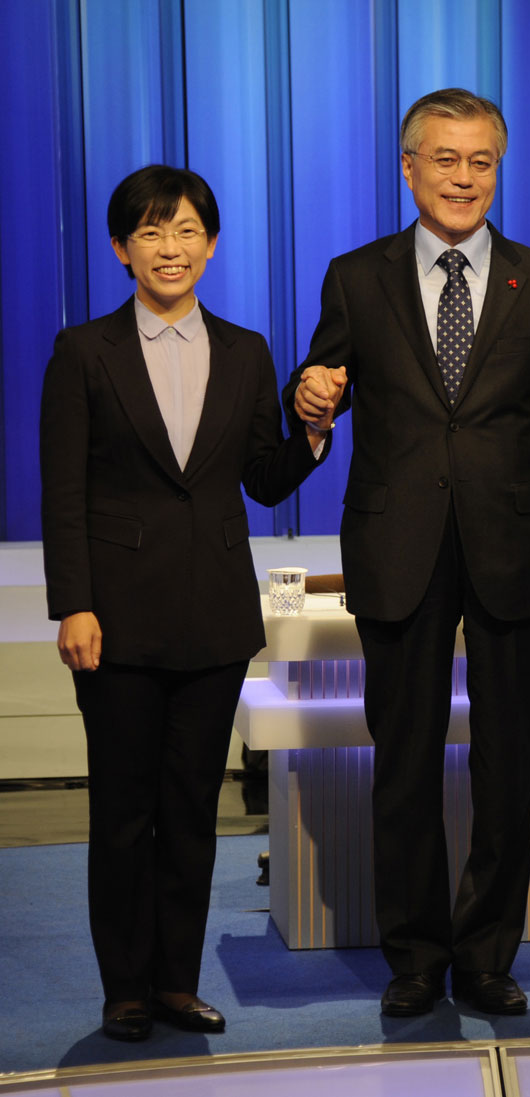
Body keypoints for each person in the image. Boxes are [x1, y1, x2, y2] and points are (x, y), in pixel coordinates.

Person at [286, 88, 530, 1016]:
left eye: (481, 162)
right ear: (409, 166)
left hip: (509, 544)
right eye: (446, 159)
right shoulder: (356, 276)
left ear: (497, 168)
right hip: (399, 546)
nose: (464, 178)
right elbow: (323, 383)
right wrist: (306, 396)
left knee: (511, 763)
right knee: (404, 763)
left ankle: (488, 952)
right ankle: (416, 954)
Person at [40, 165, 332, 1041]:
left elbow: (263, 477)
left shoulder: (245, 350)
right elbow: (64, 493)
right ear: (122, 249)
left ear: (212, 243)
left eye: (188, 231)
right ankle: (124, 987)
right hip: (117, 621)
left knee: (192, 814)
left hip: (213, 620)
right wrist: (74, 604)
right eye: (152, 233)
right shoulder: (84, 352)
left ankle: (176, 980)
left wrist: (312, 434)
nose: (172, 248)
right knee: (124, 814)